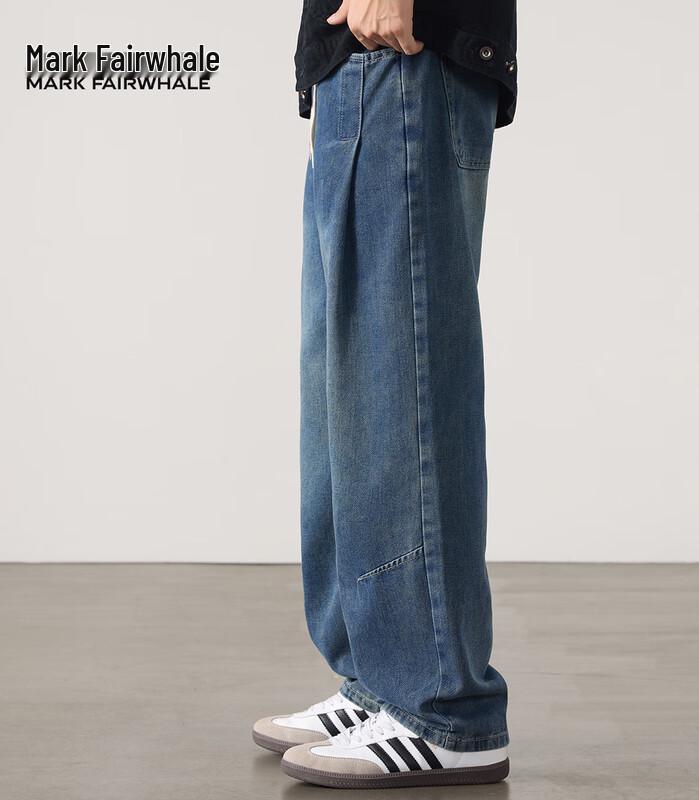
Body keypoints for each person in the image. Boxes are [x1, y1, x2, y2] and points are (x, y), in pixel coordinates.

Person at [252, 0, 518, 788]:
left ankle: (442, 707)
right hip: (355, 64)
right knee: (350, 397)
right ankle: (379, 679)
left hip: (404, 47)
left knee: (401, 386)